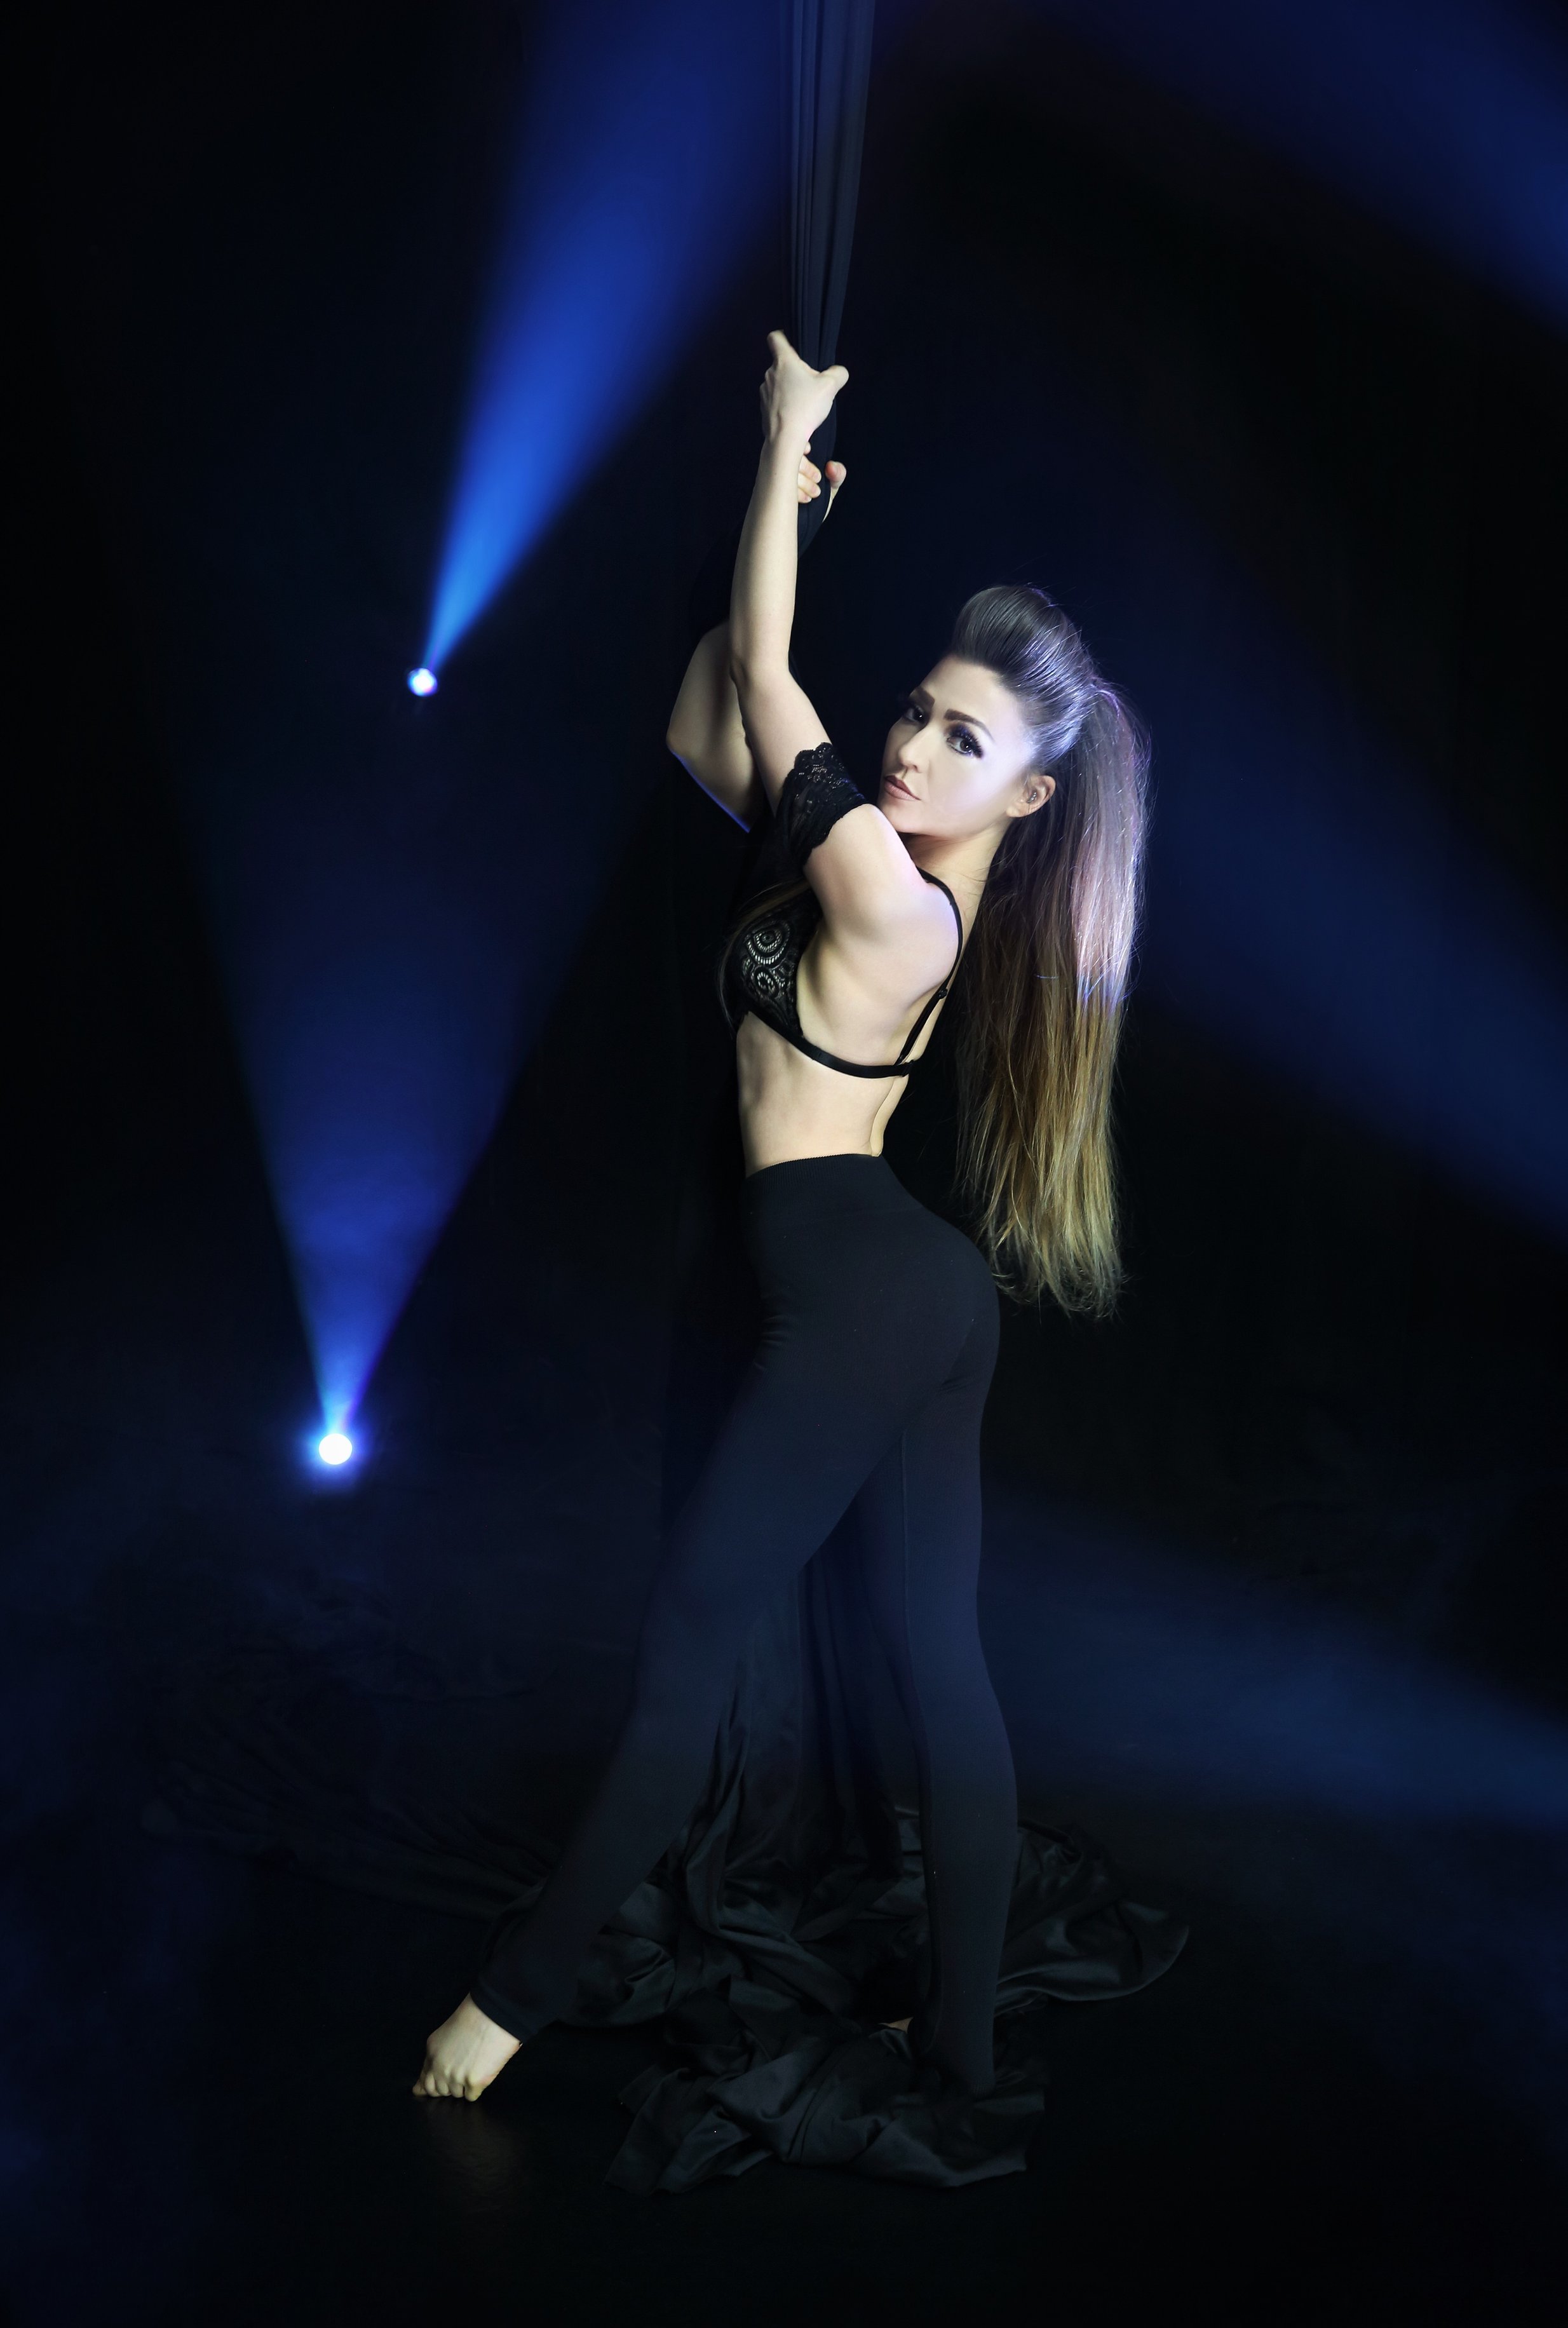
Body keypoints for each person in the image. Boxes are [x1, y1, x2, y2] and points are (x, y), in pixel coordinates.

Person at [414, 330, 1151, 2135]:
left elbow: (765, 669)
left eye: (962, 739)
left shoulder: (897, 906)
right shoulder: (855, 859)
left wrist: (780, 444)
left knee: (690, 1648)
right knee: (937, 1667)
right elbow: (705, 715)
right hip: (901, 1285)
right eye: (914, 710)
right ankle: (957, 2046)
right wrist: (789, 521)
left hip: (862, 1293)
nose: (910, 744)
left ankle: (500, 2013)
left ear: (1028, 797)